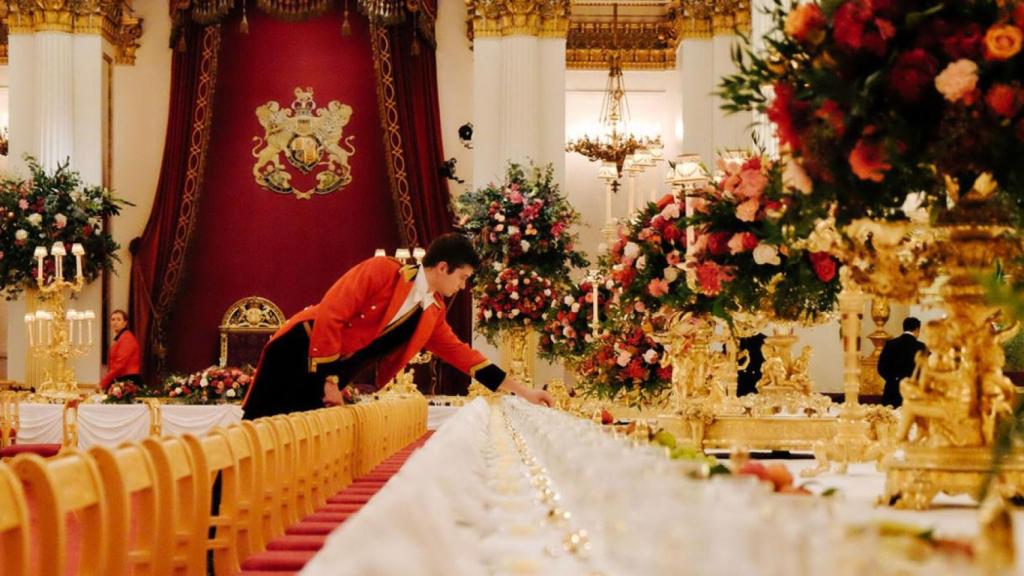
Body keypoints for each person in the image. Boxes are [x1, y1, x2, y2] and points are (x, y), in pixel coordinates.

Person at [242, 233, 554, 418]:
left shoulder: (432, 311)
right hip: (300, 351)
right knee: (259, 432)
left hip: (329, 372)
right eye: (461, 278)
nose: (462, 287)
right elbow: (332, 313)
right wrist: (329, 380)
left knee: (293, 446)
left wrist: (523, 392)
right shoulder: (382, 271)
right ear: (442, 267)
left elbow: (465, 357)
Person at [878, 317, 927, 408]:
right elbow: (924, 370)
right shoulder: (921, 347)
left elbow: (881, 368)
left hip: (892, 391)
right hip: (913, 392)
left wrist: (893, 379)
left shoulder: (890, 344)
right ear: (917, 329)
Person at [99, 309, 142, 391]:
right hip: (122, 380)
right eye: (113, 319)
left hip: (127, 381)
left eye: (118, 319)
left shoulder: (127, 339)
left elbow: (119, 366)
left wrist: (103, 383)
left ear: (125, 323)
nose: (115, 322)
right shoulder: (122, 338)